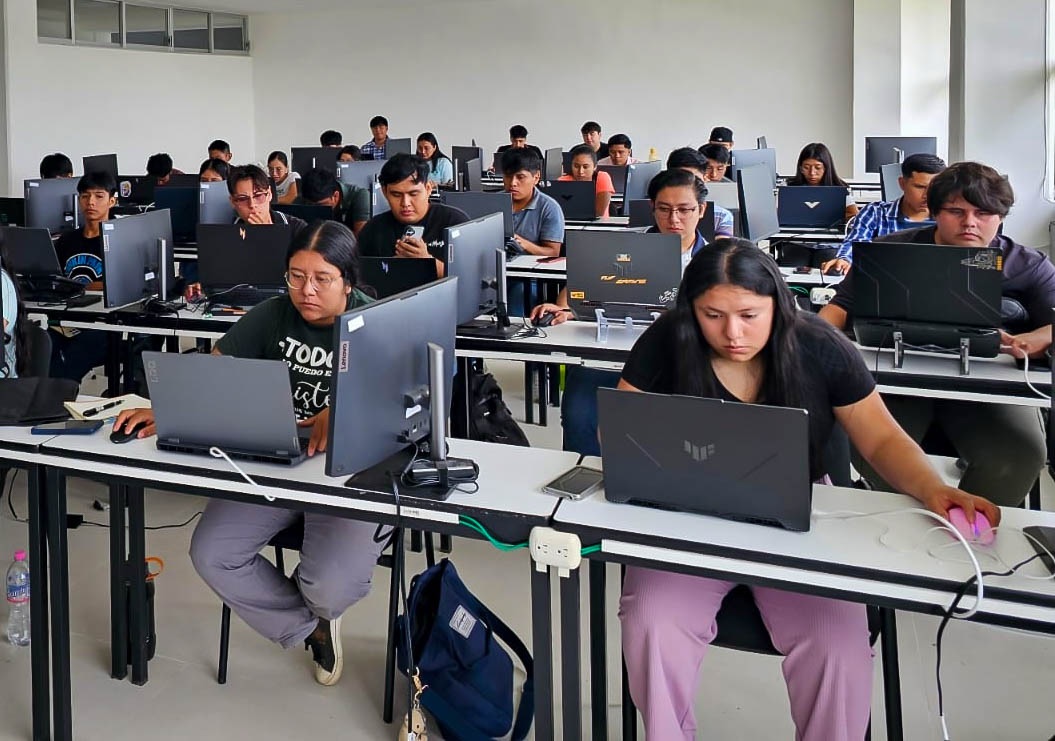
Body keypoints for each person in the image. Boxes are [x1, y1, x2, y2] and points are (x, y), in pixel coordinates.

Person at [617, 238, 999, 740]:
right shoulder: (668, 338)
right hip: (690, 510)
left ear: (777, 303)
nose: (733, 333)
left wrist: (932, 488)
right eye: (713, 316)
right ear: (692, 310)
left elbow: (881, 438)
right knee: (651, 622)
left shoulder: (819, 344)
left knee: (836, 646)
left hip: (800, 514)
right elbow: (621, 428)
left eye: (749, 315)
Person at [113, 221, 382, 687]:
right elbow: (213, 373)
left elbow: (402, 406)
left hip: (345, 473)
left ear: (348, 281)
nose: (306, 290)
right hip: (273, 460)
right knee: (212, 553)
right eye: (296, 276)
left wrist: (344, 409)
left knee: (328, 586)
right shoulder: (273, 314)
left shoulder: (375, 323)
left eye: (322, 278)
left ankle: (323, 605)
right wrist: (170, 409)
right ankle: (310, 627)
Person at [819, 160, 1054, 507]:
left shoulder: (1027, 265)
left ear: (1001, 216)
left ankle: (967, 528)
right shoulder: (891, 252)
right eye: (956, 211)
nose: (970, 222)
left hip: (989, 389)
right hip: (898, 382)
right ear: (934, 212)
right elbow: (838, 309)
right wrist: (815, 343)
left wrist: (1039, 337)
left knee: (1018, 455)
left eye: (983, 213)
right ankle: (908, 527)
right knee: (870, 450)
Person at [530, 168, 715, 454]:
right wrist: (566, 308)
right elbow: (578, 288)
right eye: (664, 209)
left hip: (677, 359)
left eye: (684, 209)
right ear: (652, 208)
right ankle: (586, 471)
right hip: (610, 348)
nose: (673, 219)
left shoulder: (714, 262)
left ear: (701, 210)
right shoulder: (625, 244)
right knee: (580, 412)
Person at [821, 153, 946, 274]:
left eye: (934, 188)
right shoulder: (875, 213)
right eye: (920, 187)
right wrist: (844, 260)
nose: (927, 195)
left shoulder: (948, 218)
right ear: (902, 183)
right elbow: (856, 243)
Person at [50, 171, 117, 381]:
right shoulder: (66, 241)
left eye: (99, 196)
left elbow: (120, 284)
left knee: (70, 359)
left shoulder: (119, 240)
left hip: (103, 323)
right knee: (38, 344)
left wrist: (82, 287)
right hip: (67, 319)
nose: (91, 202)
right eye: (85, 196)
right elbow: (54, 279)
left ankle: (58, 393)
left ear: (112, 201)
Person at [355, 154, 469, 277]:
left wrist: (427, 263)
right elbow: (357, 277)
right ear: (384, 192)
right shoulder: (373, 230)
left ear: (428, 189)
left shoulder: (455, 223)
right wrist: (390, 267)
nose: (405, 203)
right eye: (396, 195)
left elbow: (468, 277)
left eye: (413, 194)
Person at [501, 148, 564, 257]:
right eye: (508, 176)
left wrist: (523, 244)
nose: (513, 183)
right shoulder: (492, 202)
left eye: (520, 177)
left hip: (528, 266)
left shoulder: (549, 208)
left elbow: (553, 253)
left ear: (536, 177)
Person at [666, 148, 735, 238]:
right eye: (681, 179)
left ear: (705, 178)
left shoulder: (720, 217)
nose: (686, 186)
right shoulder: (655, 213)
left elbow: (723, 247)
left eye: (695, 180)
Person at [227, 164, 307, 237]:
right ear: (233, 202)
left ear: (269, 194)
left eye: (258, 196)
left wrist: (269, 234)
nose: (252, 204)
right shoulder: (228, 233)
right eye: (243, 199)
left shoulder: (298, 229)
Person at [786, 142, 858, 222]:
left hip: (831, 229)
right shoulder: (789, 187)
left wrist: (829, 217)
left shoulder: (840, 188)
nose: (812, 173)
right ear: (800, 168)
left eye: (818, 168)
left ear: (826, 168)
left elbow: (854, 214)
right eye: (806, 167)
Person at [297, 167, 370, 236]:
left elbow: (360, 236)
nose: (315, 210)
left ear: (335, 196)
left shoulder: (358, 196)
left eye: (320, 206)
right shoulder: (304, 200)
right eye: (310, 205)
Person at [558, 144, 615, 218]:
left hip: (597, 223)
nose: (580, 171)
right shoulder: (562, 180)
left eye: (585, 167)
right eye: (576, 166)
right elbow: (558, 211)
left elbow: (599, 212)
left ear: (595, 167)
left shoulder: (602, 177)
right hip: (569, 222)